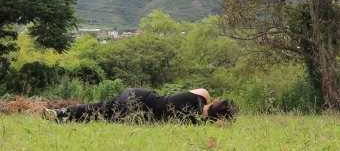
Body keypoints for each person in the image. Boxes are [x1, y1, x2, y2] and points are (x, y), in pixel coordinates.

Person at [42, 88, 237, 124]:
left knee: (101, 106)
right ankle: (65, 123)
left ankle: (62, 112)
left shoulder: (201, 96)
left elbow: (204, 91)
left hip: (139, 94)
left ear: (216, 102)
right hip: (140, 113)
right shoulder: (194, 125)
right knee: (105, 119)